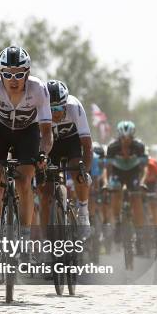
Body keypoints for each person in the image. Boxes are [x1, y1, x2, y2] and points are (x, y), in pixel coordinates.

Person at [0, 46, 53, 245]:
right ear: (1, 74)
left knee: (24, 182)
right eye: (8, 74)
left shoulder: (38, 89)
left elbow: (47, 132)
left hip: (28, 132)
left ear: (28, 73)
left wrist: (43, 153)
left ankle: (25, 237)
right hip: (0, 129)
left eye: (19, 74)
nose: (13, 79)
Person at [39, 80, 93, 238]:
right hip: (49, 146)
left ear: (65, 104)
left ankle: (83, 211)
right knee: (45, 194)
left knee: (78, 171)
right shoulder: (38, 108)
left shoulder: (74, 106)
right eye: (50, 109)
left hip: (71, 142)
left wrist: (85, 171)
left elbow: (87, 147)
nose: (54, 113)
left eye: (58, 108)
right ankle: (45, 239)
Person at [105, 120, 148, 250]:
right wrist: (107, 183)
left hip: (134, 173)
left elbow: (144, 168)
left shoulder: (139, 146)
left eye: (129, 138)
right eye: (123, 138)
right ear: (119, 136)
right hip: (118, 172)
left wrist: (142, 182)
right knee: (115, 191)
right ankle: (117, 222)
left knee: (136, 198)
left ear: (133, 136)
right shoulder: (112, 147)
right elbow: (108, 168)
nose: (126, 140)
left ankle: (139, 233)